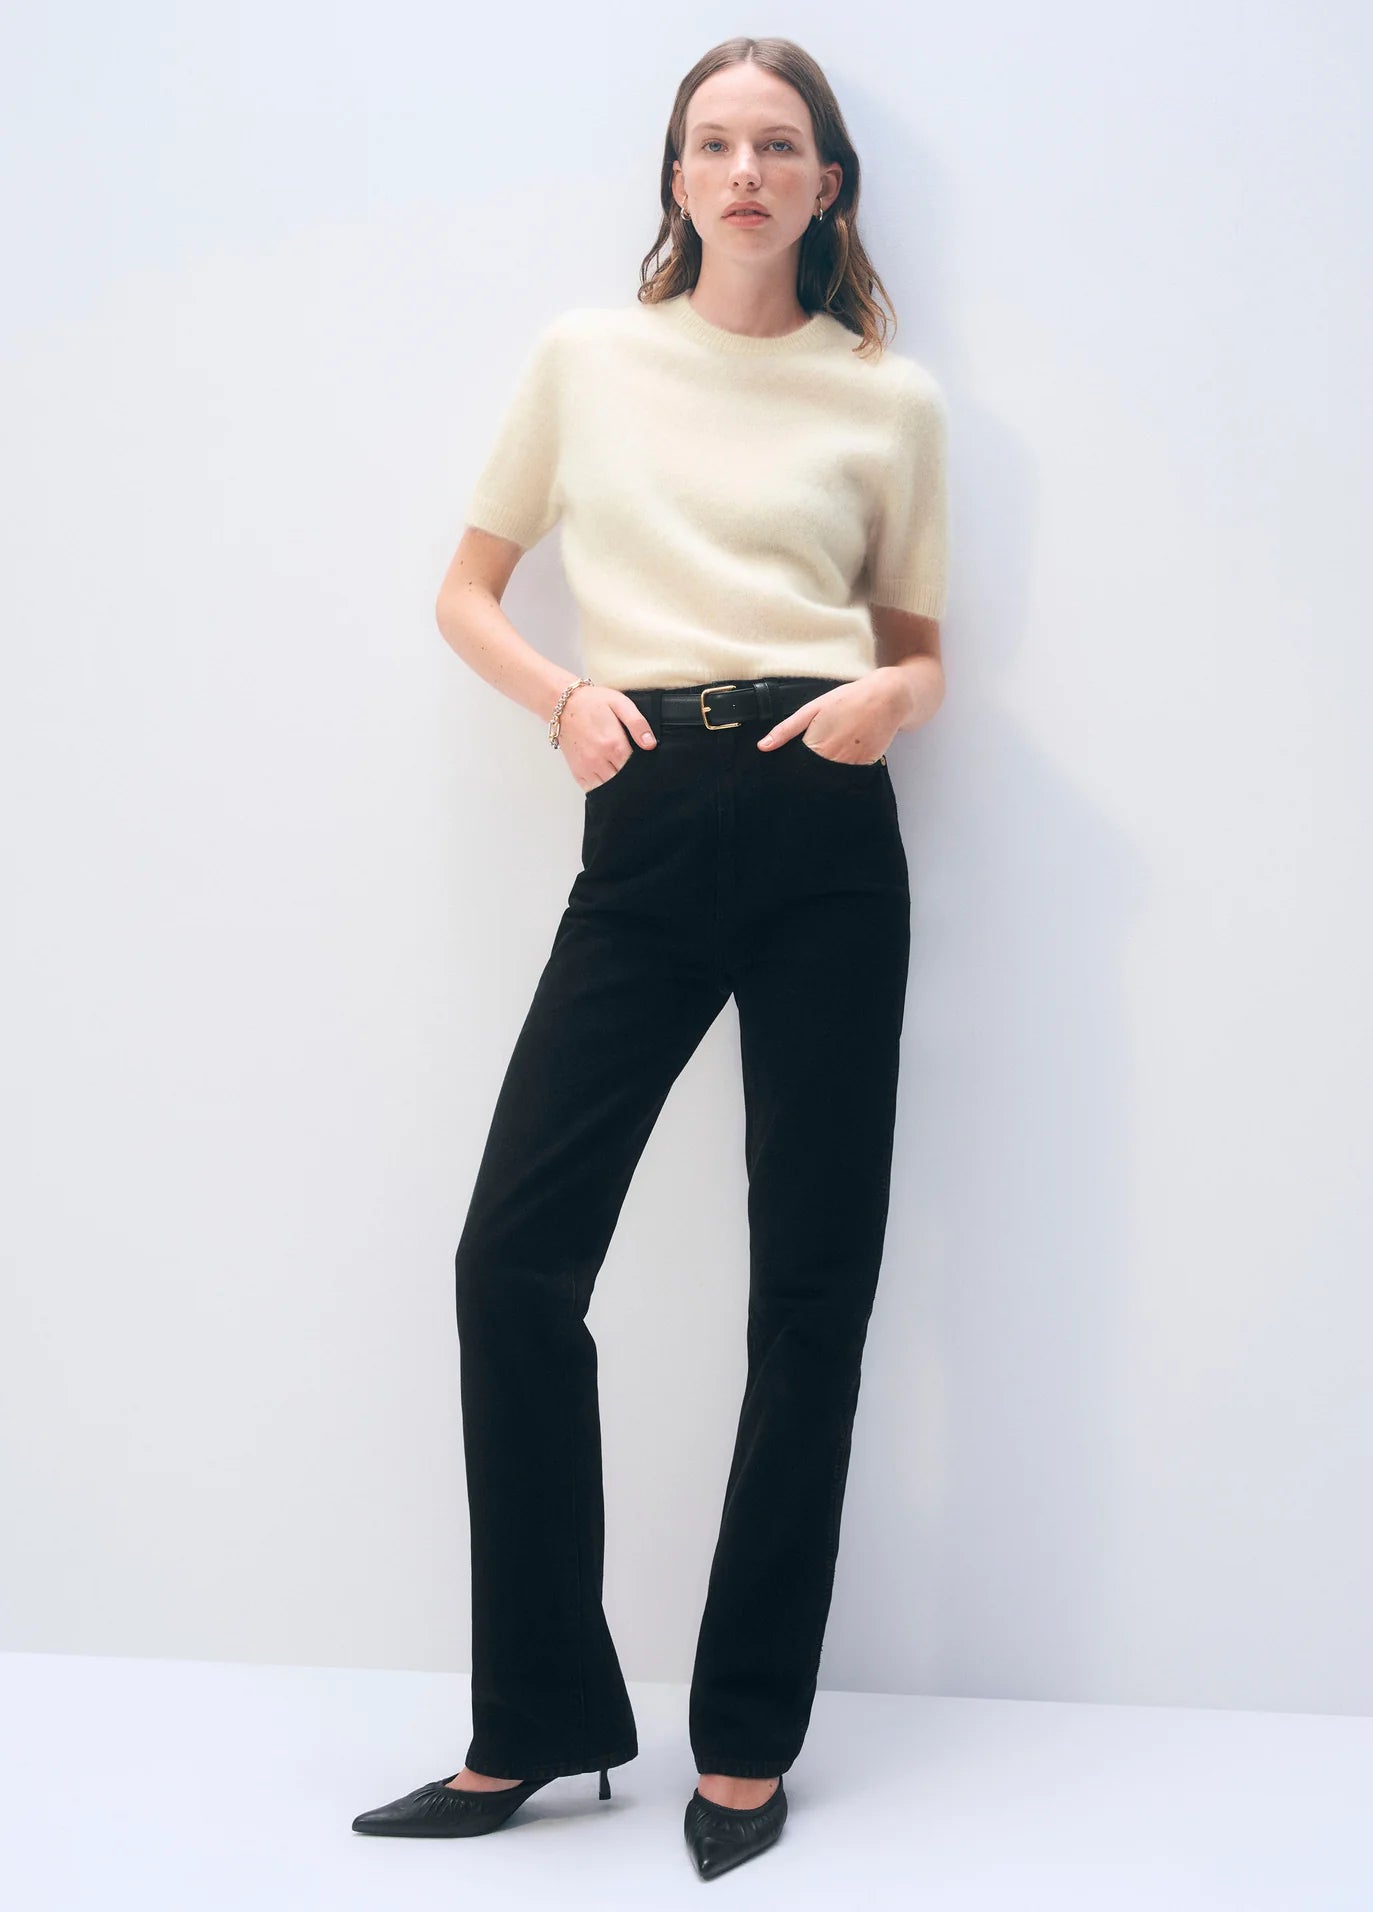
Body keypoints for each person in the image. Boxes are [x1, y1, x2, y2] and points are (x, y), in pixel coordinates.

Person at [351, 33, 948, 1882]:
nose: (746, 171)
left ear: (828, 182)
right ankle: (538, 1717)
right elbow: (466, 588)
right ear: (677, 176)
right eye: (714, 143)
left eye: (779, 144)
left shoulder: (888, 401)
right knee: (512, 1259)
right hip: (650, 809)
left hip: (827, 823)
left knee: (812, 1289)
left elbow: (922, 650)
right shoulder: (586, 361)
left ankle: (747, 1742)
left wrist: (888, 702)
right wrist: (567, 702)